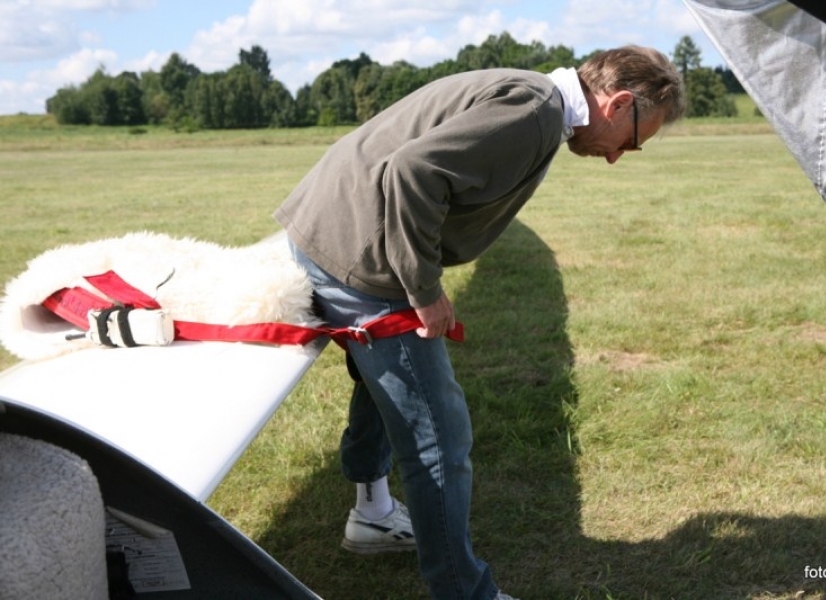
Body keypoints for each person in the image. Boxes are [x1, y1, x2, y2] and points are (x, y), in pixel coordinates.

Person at [275, 45, 686, 600]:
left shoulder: (535, 99)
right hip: (360, 258)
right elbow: (411, 172)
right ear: (615, 104)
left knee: (387, 388)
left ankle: (372, 514)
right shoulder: (534, 111)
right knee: (439, 438)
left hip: (332, 235)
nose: (618, 157)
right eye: (633, 141)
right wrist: (424, 291)